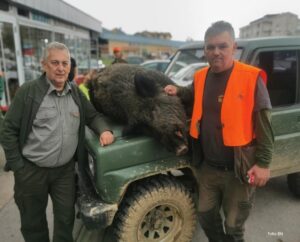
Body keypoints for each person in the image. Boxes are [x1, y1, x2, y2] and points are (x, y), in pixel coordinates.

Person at [164, 21, 274, 242]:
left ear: (234, 47)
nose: (216, 52)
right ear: (204, 50)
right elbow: (193, 95)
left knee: (234, 226)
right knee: (205, 216)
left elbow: (264, 124)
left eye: (222, 46)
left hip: (238, 170)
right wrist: (178, 91)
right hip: (207, 168)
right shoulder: (200, 76)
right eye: (210, 47)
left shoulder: (250, 78)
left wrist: (263, 163)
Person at [0, 42, 114, 242]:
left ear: (70, 66)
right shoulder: (28, 92)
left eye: (65, 63)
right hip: (31, 172)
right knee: (33, 223)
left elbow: (93, 116)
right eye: (55, 63)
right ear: (44, 64)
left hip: (64, 174)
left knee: (65, 220)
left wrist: (104, 130)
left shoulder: (76, 93)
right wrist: (19, 166)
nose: (61, 68)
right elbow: (7, 130)